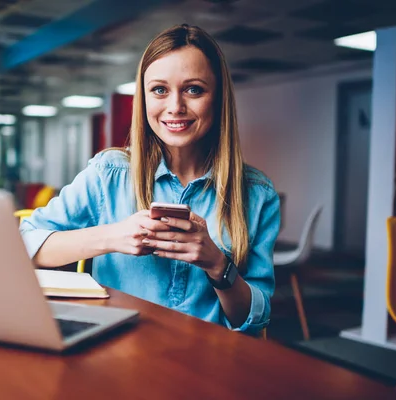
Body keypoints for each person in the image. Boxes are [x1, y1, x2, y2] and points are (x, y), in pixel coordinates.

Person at [20, 24, 280, 335]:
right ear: (143, 98)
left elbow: (254, 319)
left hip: (209, 361)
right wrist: (113, 237)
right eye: (160, 90)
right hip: (117, 351)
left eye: (194, 89)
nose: (175, 108)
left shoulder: (257, 194)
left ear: (219, 97)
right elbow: (25, 243)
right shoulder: (108, 174)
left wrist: (217, 266)